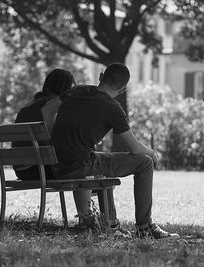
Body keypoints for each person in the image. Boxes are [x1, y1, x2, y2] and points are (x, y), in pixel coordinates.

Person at [51, 63, 179, 239]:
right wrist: (151, 152)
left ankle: (110, 224)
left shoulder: (77, 90)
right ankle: (144, 226)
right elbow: (134, 148)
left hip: (57, 164)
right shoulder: (112, 108)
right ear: (123, 89)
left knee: (103, 164)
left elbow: (50, 109)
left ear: (101, 76)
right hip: (78, 165)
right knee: (145, 163)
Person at [12, 68, 94, 226]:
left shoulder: (28, 108)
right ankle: (90, 220)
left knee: (85, 171)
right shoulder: (55, 106)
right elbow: (59, 142)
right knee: (84, 169)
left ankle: (90, 218)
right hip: (40, 168)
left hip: (22, 170)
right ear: (67, 88)